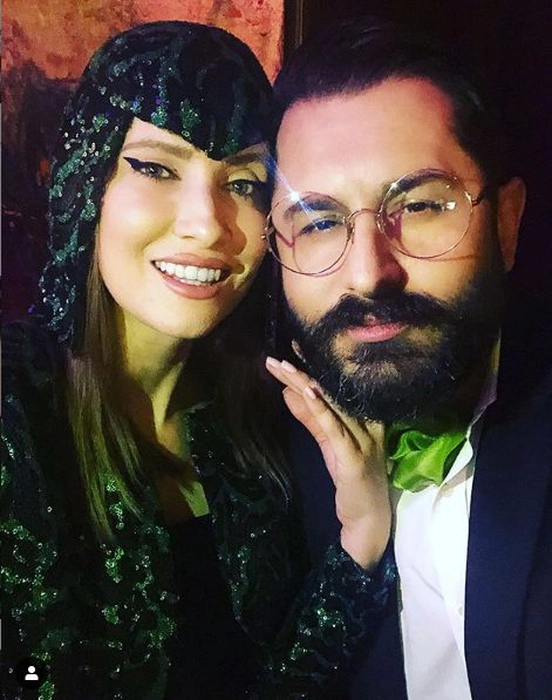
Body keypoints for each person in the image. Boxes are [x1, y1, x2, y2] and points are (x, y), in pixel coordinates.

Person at [1, 21, 397, 700]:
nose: (209, 224)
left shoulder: (261, 424)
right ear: (86, 180)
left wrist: (362, 537)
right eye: (156, 168)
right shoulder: (15, 415)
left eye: (243, 183)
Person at [265, 17, 552, 700]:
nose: (369, 275)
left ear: (507, 222)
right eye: (319, 221)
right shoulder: (261, 472)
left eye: (421, 205)